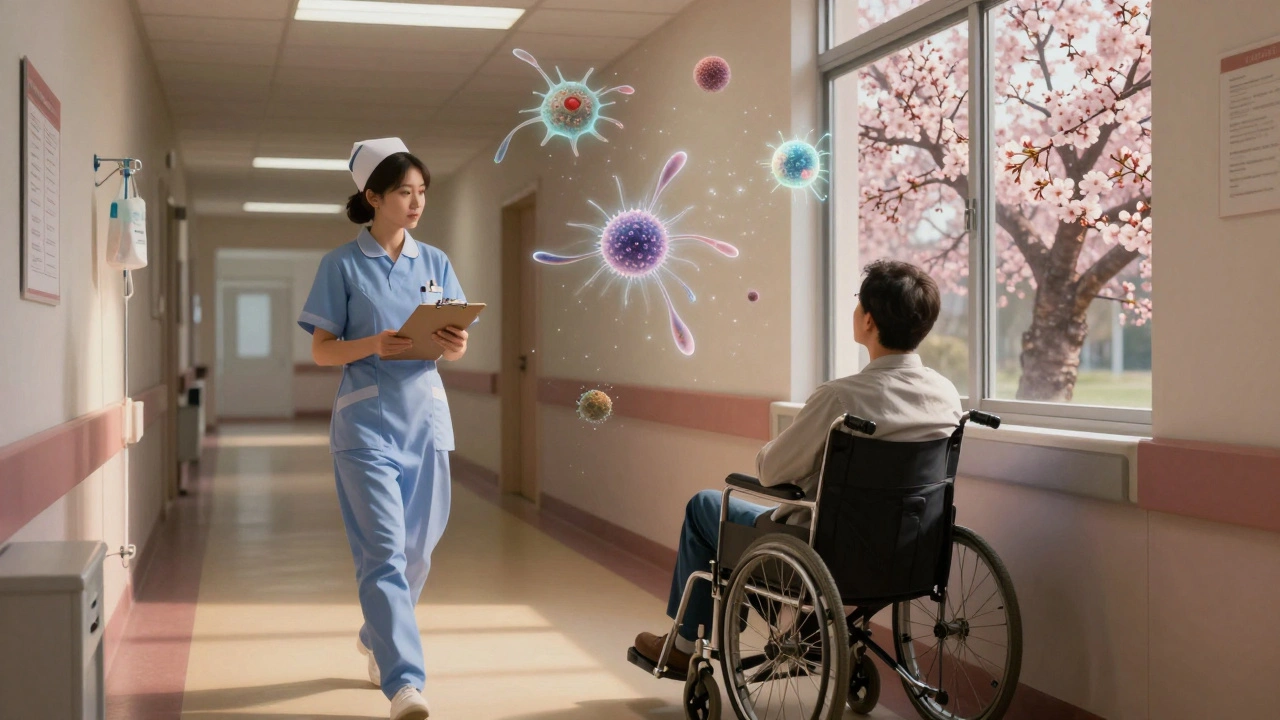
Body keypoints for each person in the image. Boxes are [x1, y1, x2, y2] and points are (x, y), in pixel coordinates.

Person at [632, 259, 963, 678]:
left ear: (868, 321)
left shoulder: (841, 398)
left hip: (825, 550)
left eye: (858, 305)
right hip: (911, 549)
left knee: (706, 505)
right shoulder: (945, 394)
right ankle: (803, 627)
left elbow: (772, 472)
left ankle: (684, 645)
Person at [298, 137, 470, 720]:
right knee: (384, 555)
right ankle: (404, 683)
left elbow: (453, 341)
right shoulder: (341, 265)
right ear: (372, 196)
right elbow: (322, 352)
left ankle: (377, 634)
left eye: (422, 192)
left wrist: (455, 341)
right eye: (404, 192)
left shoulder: (436, 262)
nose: (416, 202)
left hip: (425, 419)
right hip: (366, 426)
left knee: (419, 551)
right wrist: (370, 344)